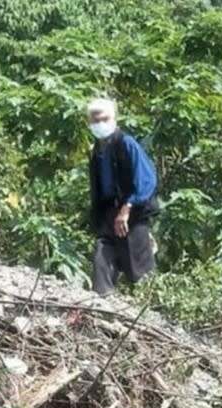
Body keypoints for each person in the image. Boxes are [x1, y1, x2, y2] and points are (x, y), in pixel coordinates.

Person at [87, 98, 159, 296]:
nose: (99, 124)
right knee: (102, 255)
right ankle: (102, 302)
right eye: (95, 120)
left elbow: (147, 180)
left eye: (104, 119)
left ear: (114, 118)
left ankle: (150, 309)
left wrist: (127, 208)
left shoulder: (126, 144)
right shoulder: (97, 150)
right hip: (108, 213)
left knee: (140, 269)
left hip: (132, 216)